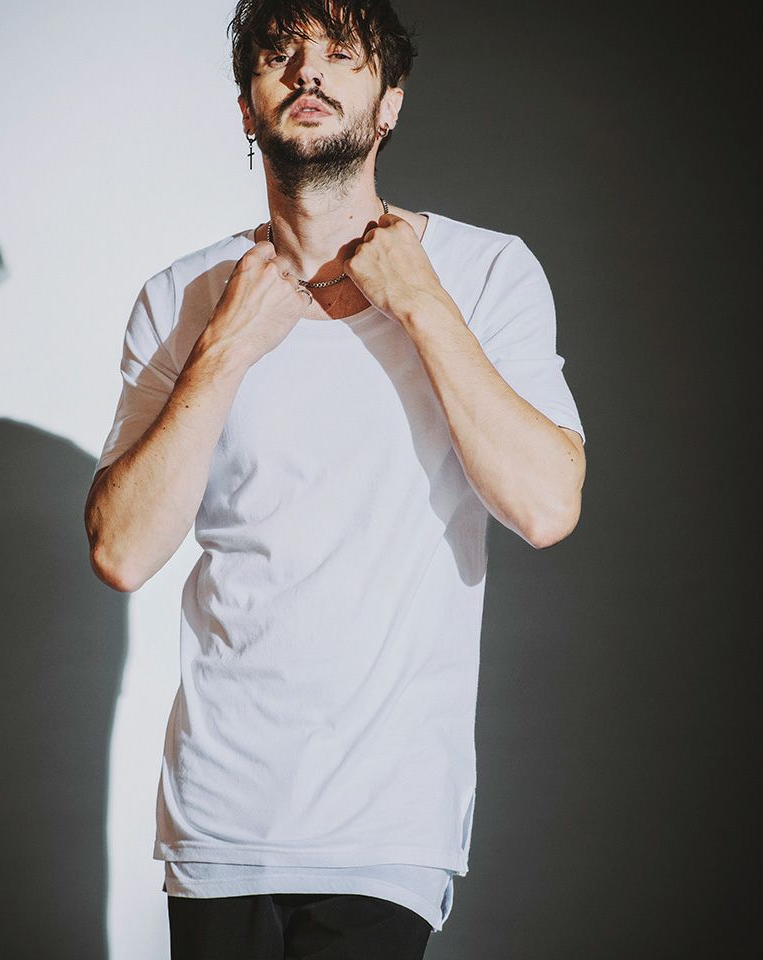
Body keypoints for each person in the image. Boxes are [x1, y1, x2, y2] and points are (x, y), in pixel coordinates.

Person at [84, 0, 587, 956]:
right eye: (280, 54)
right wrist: (227, 347)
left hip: (387, 828)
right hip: (216, 821)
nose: (308, 72)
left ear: (389, 101)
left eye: (341, 54)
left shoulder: (484, 273)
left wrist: (421, 302)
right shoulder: (182, 297)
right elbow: (123, 552)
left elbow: (547, 504)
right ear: (247, 106)